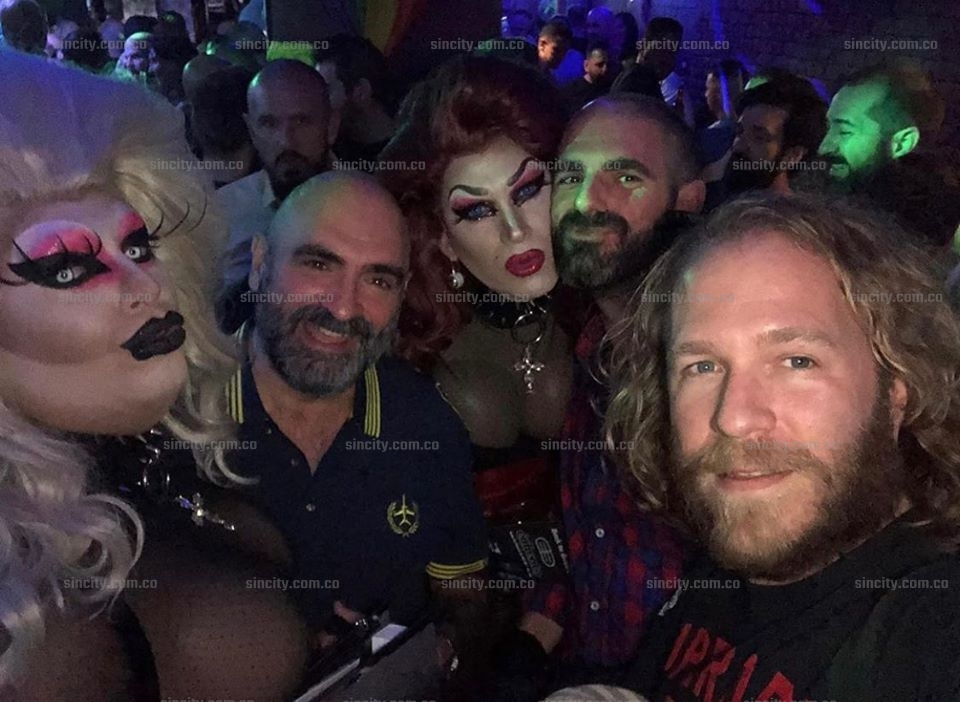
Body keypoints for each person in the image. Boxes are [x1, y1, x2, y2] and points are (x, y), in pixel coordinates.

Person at [0, 51, 307, 700]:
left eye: (138, 246)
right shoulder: (20, 615)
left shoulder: (152, 452)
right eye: (68, 268)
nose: (145, 284)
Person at [605, 193, 960, 701]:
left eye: (797, 361)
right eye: (702, 367)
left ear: (896, 392)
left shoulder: (930, 623)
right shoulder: (723, 561)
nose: (733, 419)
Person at [483, 93, 705, 700]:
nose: (585, 201)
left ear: (687, 201)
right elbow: (593, 539)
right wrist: (532, 640)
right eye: (571, 176)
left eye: (625, 177)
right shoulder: (587, 346)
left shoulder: (708, 369)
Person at [227, 171, 488, 684]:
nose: (344, 307)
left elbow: (465, 591)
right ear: (260, 265)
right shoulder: (172, 423)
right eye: (318, 263)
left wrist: (430, 654)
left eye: (378, 280)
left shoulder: (427, 426)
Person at [217, 59, 332, 310]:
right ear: (251, 130)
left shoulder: (373, 207)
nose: (286, 141)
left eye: (302, 121)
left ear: (331, 124)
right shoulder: (223, 212)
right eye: (269, 123)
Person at [819, 63, 960, 249]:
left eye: (844, 131)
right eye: (828, 128)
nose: (824, 147)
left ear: (902, 143)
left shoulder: (909, 240)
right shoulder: (839, 200)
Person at [711, 77, 827, 209]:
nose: (738, 145)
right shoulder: (714, 202)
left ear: (793, 155)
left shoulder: (794, 219)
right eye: (739, 131)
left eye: (759, 137)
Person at [314, 34, 397, 165]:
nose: (317, 101)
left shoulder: (410, 156)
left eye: (326, 91)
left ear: (361, 91)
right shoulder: (326, 150)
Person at [561, 41, 611, 113]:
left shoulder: (609, 92)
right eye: (599, 65)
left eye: (608, 65)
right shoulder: (571, 92)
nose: (605, 69)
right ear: (586, 65)